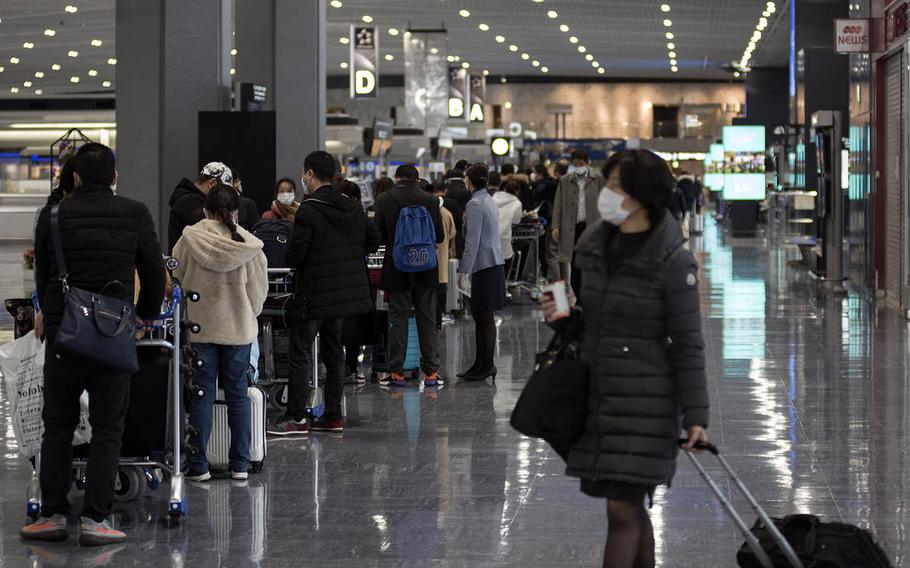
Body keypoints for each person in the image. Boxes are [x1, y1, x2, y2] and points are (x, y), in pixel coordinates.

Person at [540, 149, 709, 568]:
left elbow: (689, 342)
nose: (606, 194)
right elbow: (590, 324)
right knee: (629, 508)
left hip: (647, 400)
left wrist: (696, 415)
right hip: (600, 396)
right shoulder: (594, 248)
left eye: (615, 186)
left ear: (640, 195)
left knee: (622, 509)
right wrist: (563, 316)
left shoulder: (673, 260)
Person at [25, 142, 165, 546]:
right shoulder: (135, 213)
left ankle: (52, 514)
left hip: (63, 336)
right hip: (112, 332)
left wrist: (51, 320)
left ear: (76, 176)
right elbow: (153, 273)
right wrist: (145, 317)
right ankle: (96, 520)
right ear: (115, 177)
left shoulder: (53, 216)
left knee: (58, 425)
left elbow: (44, 278)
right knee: (107, 427)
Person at [269, 151, 380, 435]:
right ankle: (333, 415)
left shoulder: (309, 209)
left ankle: (296, 416)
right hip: (342, 296)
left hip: (313, 292)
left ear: (309, 174)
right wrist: (350, 257)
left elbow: (296, 255)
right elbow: (374, 239)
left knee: (300, 351)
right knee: (334, 353)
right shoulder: (352, 206)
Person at [172, 184, 267, 482]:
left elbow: (177, 279)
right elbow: (258, 295)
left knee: (201, 395)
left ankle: (198, 466)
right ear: (236, 212)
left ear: (205, 210)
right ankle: (240, 464)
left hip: (200, 331)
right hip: (238, 331)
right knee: (238, 395)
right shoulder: (250, 246)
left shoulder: (189, 240)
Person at [373, 164, 445, 388]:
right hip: (425, 267)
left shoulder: (385, 200)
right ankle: (431, 373)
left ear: (397, 178)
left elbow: (379, 236)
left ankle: (396, 372)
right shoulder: (432, 200)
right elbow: (440, 236)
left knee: (398, 320)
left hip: (398, 267)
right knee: (427, 319)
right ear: (417, 178)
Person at [456, 163, 506, 382]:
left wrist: (464, 269)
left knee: (483, 317)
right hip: (494, 263)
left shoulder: (475, 204)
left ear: (469, 180)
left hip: (483, 265)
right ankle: (481, 364)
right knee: (483, 317)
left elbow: (472, 240)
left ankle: (486, 365)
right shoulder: (488, 200)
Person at [552, 149, 605, 292]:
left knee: (591, 260)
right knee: (574, 262)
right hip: (572, 227)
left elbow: (606, 202)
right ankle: (577, 292)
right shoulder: (565, 181)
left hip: (592, 227)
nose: (578, 166)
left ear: (587, 163)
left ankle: (590, 290)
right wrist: (555, 226)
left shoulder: (598, 179)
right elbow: (558, 205)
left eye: (581, 163)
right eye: (576, 163)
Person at [167, 161, 233, 253]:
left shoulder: (188, 200)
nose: (224, 197)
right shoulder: (191, 202)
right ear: (212, 183)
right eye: (223, 191)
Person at [424, 179, 457, 329]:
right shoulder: (446, 213)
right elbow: (451, 235)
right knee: (439, 292)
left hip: (422, 261)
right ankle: (439, 319)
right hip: (441, 260)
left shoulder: (422, 211)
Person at [493, 179, 524, 282]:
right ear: (517, 191)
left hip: (490, 234)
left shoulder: (494, 197)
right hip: (504, 236)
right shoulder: (517, 203)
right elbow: (516, 220)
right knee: (505, 261)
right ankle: (502, 287)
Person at [229, 167, 262, 232]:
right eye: (237, 181)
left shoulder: (246, 203)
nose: (239, 183)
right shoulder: (247, 203)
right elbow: (258, 231)